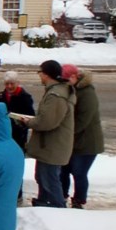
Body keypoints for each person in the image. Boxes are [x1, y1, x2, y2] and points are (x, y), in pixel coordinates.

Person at [22, 60, 75, 208]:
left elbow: (47, 122)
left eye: (40, 73)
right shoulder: (56, 91)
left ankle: (57, 211)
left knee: (49, 181)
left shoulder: (56, 95)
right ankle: (44, 204)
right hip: (49, 146)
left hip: (52, 147)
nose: (39, 76)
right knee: (42, 177)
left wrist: (28, 122)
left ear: (46, 74)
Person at [59, 65, 103, 209]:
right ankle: (61, 195)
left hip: (87, 143)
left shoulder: (87, 93)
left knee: (79, 172)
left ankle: (79, 201)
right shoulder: (73, 89)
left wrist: (66, 132)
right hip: (74, 141)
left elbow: (83, 120)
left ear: (73, 77)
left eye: (66, 79)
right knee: (64, 169)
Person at [0, 71, 34, 150]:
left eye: (12, 83)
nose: (9, 86)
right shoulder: (1, 96)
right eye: (7, 84)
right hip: (3, 132)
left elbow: (30, 115)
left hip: (18, 134)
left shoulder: (25, 97)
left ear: (17, 83)